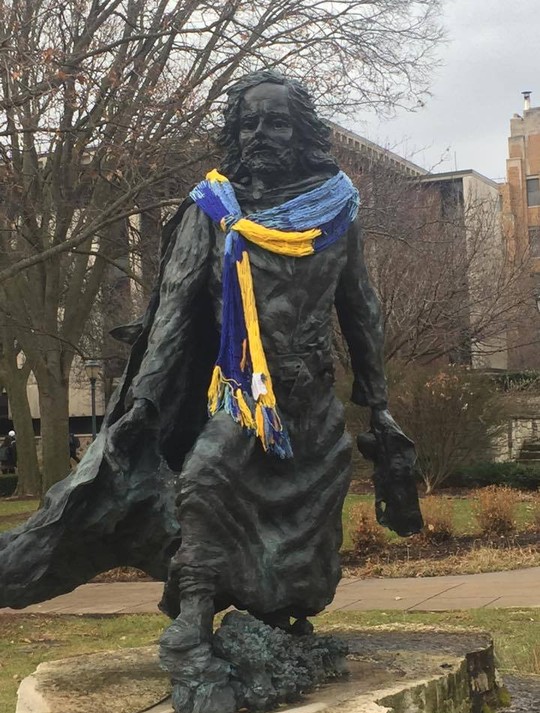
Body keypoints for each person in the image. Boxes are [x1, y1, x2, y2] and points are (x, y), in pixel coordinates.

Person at [0, 72, 421, 672]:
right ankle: (193, 623)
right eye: (248, 123)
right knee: (204, 480)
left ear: (301, 130)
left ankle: (280, 618)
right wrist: (144, 403)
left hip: (312, 402)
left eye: (275, 122)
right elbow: (173, 311)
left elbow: (362, 310)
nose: (260, 135)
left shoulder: (337, 209)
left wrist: (377, 403)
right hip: (245, 396)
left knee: (309, 522)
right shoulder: (213, 209)